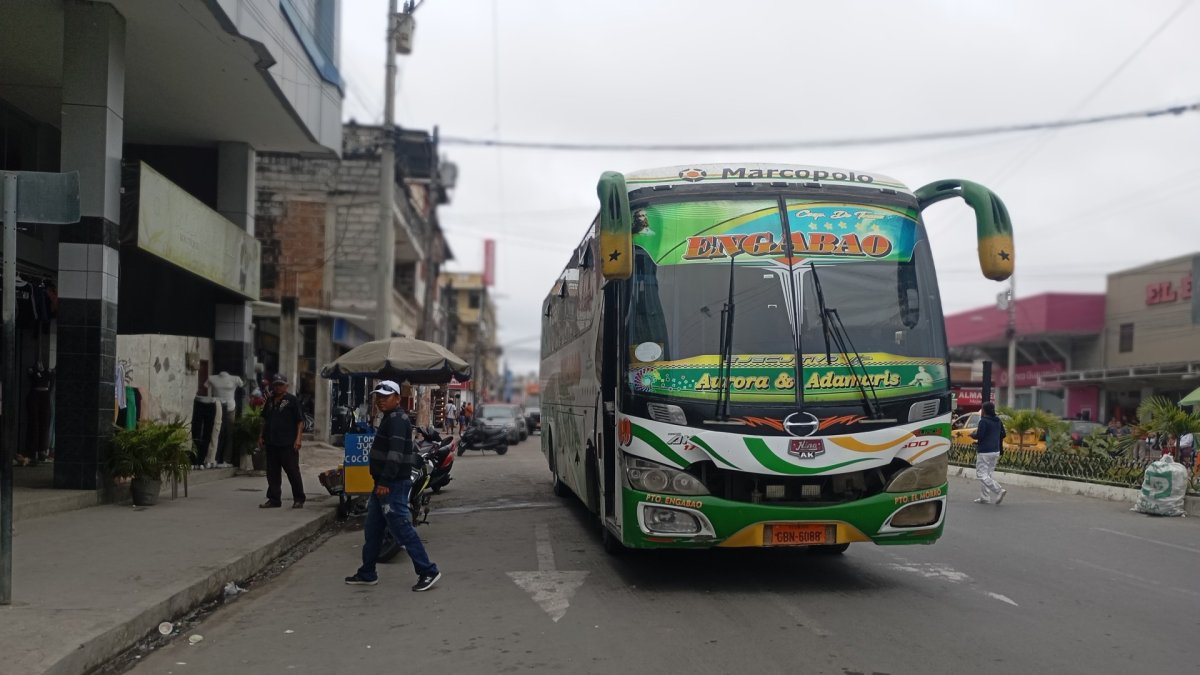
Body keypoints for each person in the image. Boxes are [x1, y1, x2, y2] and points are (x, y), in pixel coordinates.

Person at [345, 380, 442, 591]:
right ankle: (367, 572)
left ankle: (428, 571)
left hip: (392, 484)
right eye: (378, 396)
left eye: (386, 396)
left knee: (402, 529)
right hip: (383, 483)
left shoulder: (397, 419)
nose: (381, 400)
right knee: (373, 530)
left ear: (398, 398)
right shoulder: (390, 418)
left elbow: (395, 454)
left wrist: (385, 481)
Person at [258, 374, 306, 508]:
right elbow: (264, 420)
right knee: (272, 473)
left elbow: (300, 421)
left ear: (286, 386)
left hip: (288, 443)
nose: (278, 387)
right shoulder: (270, 400)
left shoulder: (292, 400)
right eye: (276, 384)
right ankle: (274, 499)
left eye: (281, 384)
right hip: (271, 442)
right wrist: (261, 436)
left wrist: (298, 439)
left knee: (292, 471)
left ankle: (299, 498)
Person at [970, 401, 1008, 505]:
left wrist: (973, 435)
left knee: (981, 474)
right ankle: (985, 497)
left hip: (985, 451)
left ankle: (999, 490)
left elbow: (980, 435)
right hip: (995, 451)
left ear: (984, 410)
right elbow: (1003, 434)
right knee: (988, 475)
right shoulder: (998, 420)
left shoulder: (983, 421)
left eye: (982, 409)